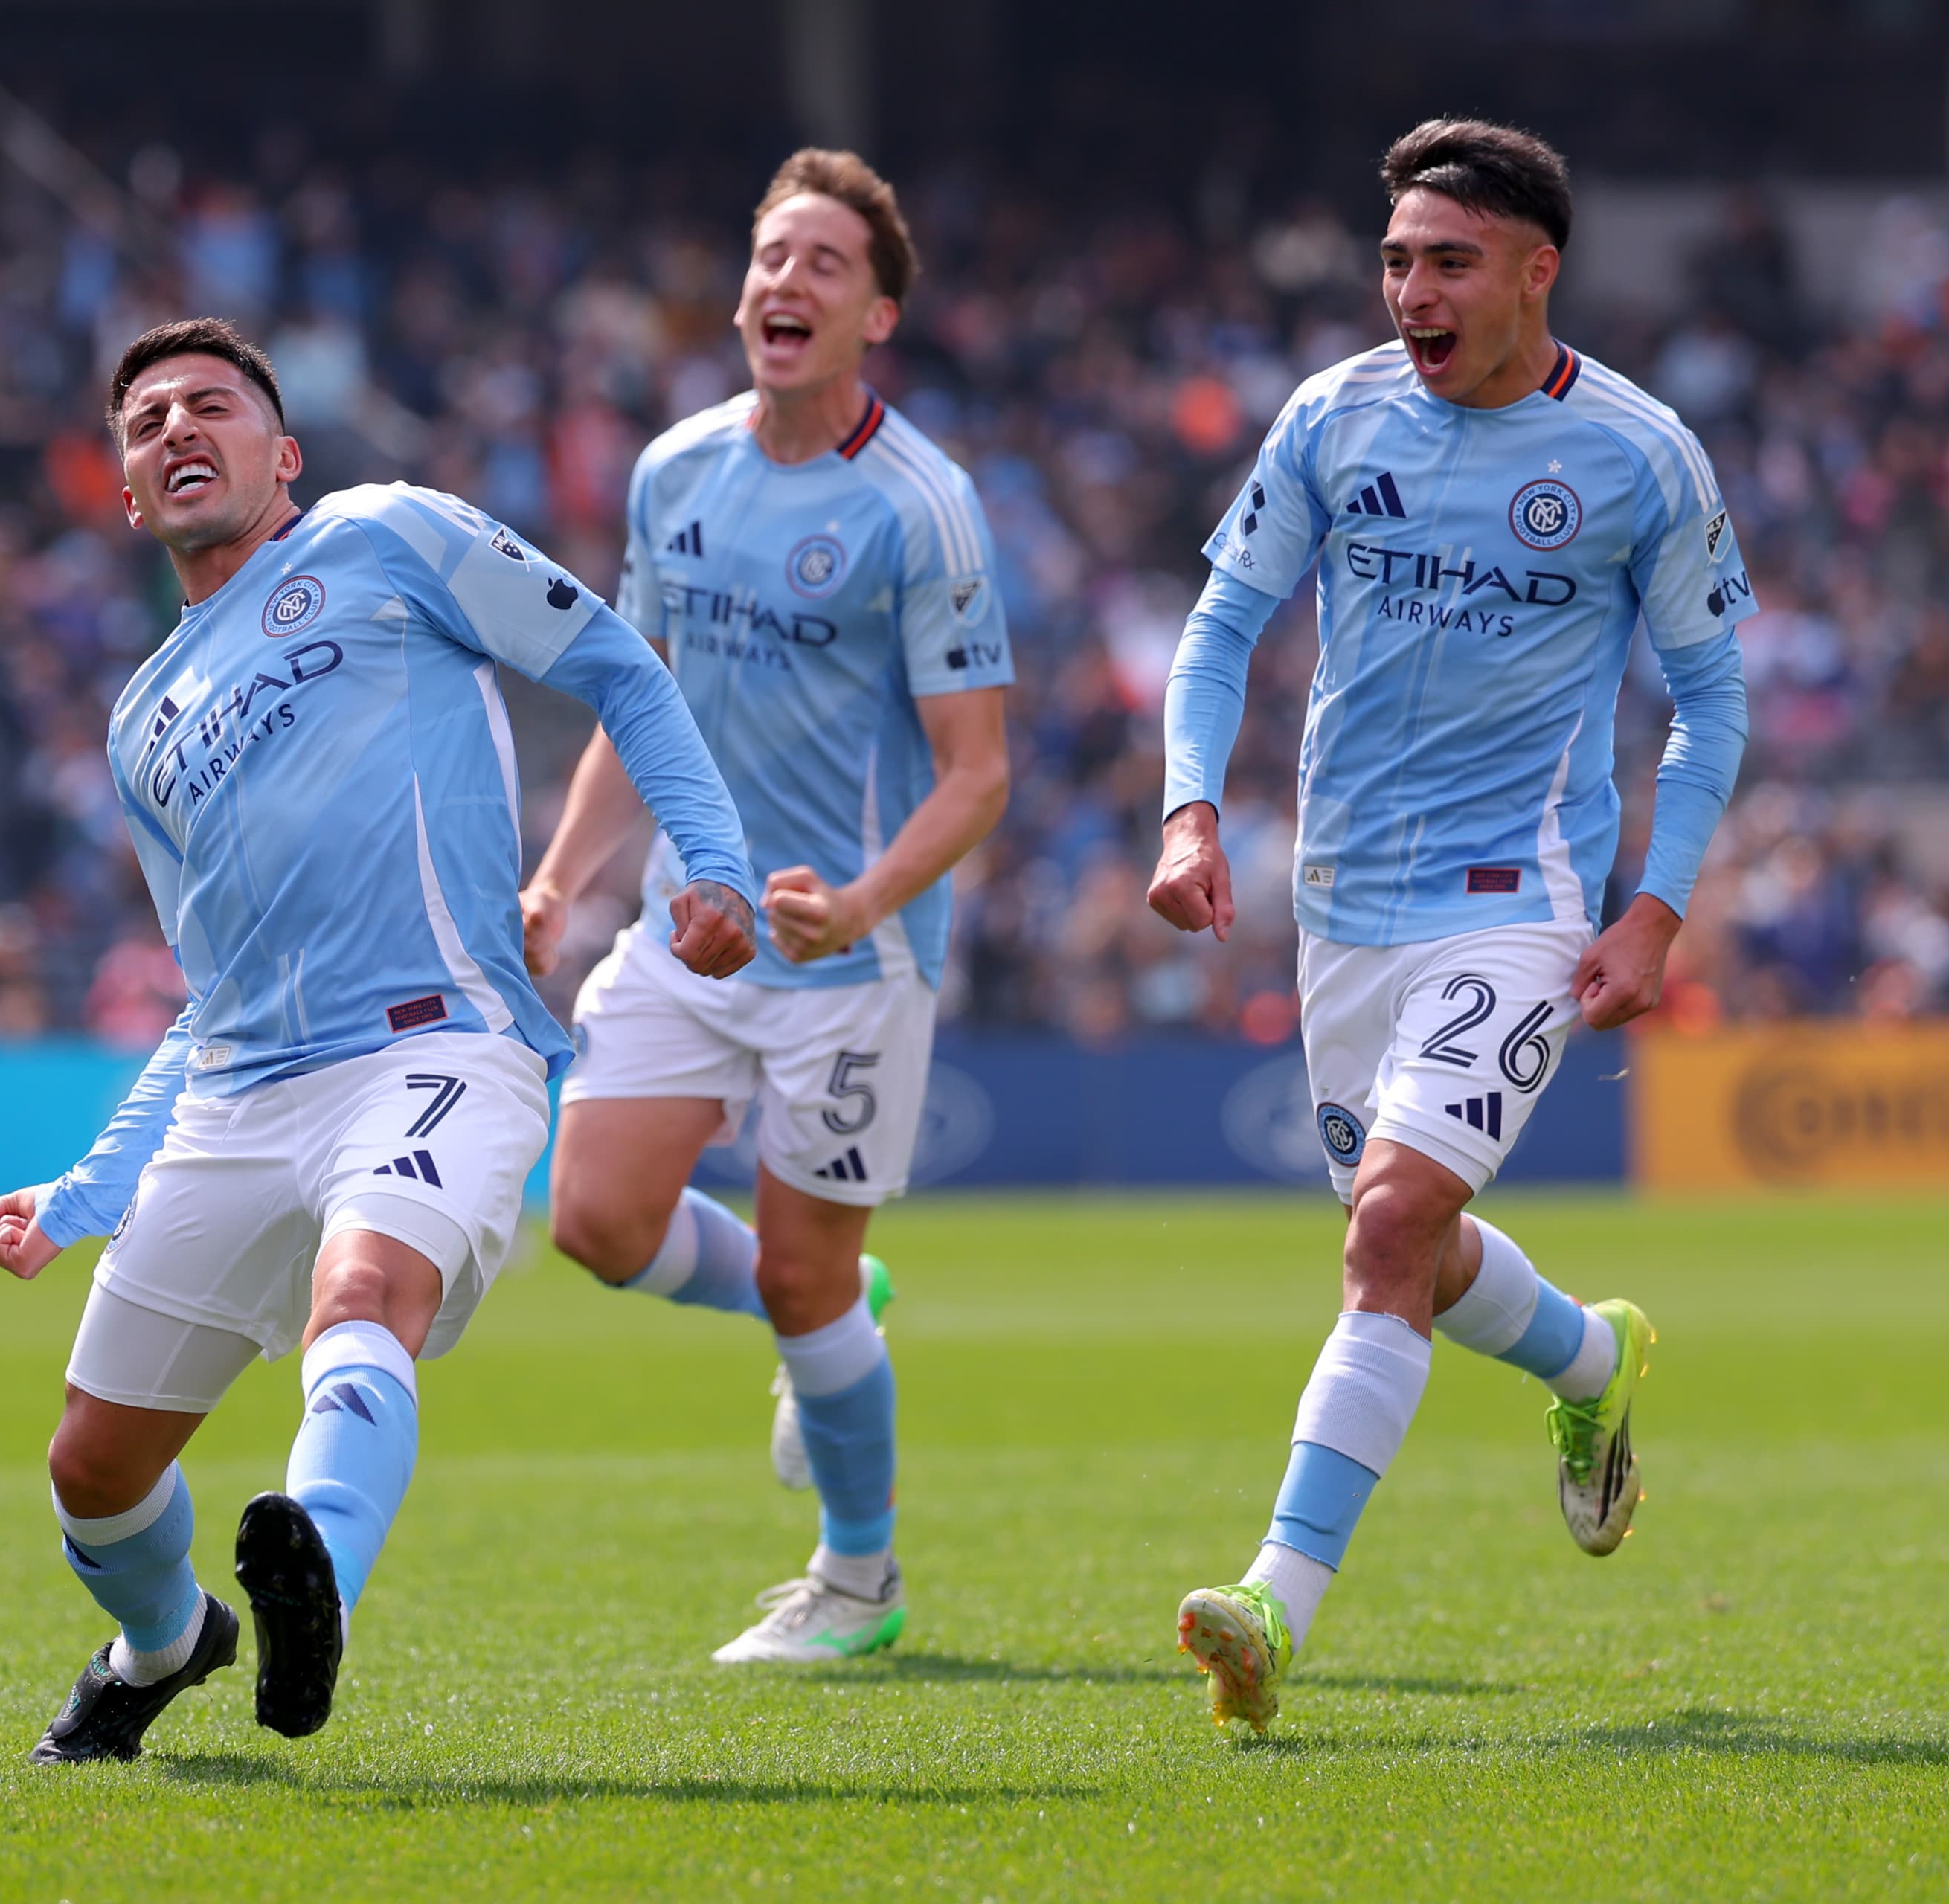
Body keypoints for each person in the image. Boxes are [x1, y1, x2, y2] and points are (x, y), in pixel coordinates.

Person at [0, 318, 758, 1762]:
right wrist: (89, 1188)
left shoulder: (388, 534)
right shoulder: (142, 719)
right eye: (146, 423)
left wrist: (710, 866)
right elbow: (212, 984)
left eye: (210, 405)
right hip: (238, 1095)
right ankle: (164, 1641)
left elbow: (622, 670)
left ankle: (315, 1568)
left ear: (282, 453)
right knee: (92, 1469)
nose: (175, 429)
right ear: (127, 490)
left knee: (369, 1285)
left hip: (436, 1043)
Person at [1146, 120, 1751, 1733]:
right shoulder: (1334, 418)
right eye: (1399, 258)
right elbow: (1221, 626)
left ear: (1536, 274)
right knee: (1409, 1247)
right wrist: (1187, 804)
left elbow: (1709, 701)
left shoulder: (1639, 454)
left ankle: (1276, 1597)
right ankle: (1589, 1359)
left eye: (1450, 262)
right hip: (1340, 904)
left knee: (1386, 1226)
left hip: (1521, 904)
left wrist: (1658, 907)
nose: (1412, 288)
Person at [520, 149, 1013, 1664]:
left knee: (801, 1275)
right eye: (768, 254)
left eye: (822, 263)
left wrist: (860, 900)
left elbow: (978, 771)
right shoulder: (677, 471)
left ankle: (858, 1581)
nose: (784, 281)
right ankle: (827, 1313)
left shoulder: (923, 507)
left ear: (877, 316)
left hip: (852, 961)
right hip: (690, 923)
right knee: (597, 1219)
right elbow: (635, 698)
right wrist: (561, 876)